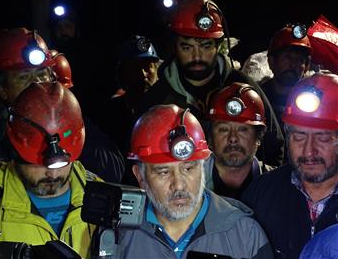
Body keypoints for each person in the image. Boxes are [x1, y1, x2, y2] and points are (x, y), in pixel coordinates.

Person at [140, 0, 285, 167]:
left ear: (218, 46)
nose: (197, 56)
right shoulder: (157, 99)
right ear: (174, 46)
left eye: (206, 46)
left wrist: (258, 190)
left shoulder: (243, 88)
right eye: (187, 47)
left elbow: (274, 146)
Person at [113, 104, 274, 258]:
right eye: (163, 172)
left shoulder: (244, 235)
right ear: (140, 176)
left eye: (188, 169)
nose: (179, 184)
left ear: (203, 166)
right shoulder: (118, 234)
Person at [0, 27, 125, 184]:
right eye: (24, 77)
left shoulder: (73, 120)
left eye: (41, 74)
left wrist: (70, 124)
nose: (36, 84)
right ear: (3, 90)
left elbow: (113, 170)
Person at [0, 81, 100, 258]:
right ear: (16, 150)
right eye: (38, 163)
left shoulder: (103, 196)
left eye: (62, 164)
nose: (52, 173)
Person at [242, 73, 338, 259]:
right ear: (287, 137)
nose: (309, 151)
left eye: (323, 137)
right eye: (299, 136)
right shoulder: (262, 193)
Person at [204, 82, 275, 199]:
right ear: (210, 138)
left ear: (258, 138)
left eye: (243, 129)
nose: (233, 138)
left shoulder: (277, 186)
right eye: (223, 129)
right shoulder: (189, 184)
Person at [99, 35, 162, 156]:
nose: (143, 74)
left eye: (148, 66)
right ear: (122, 74)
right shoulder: (110, 113)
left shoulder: (167, 108)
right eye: (135, 68)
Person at [260, 24, 312, 132]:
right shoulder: (258, 98)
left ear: (306, 67)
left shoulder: (313, 102)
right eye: (287, 57)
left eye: (300, 60)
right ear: (271, 62)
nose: (293, 64)